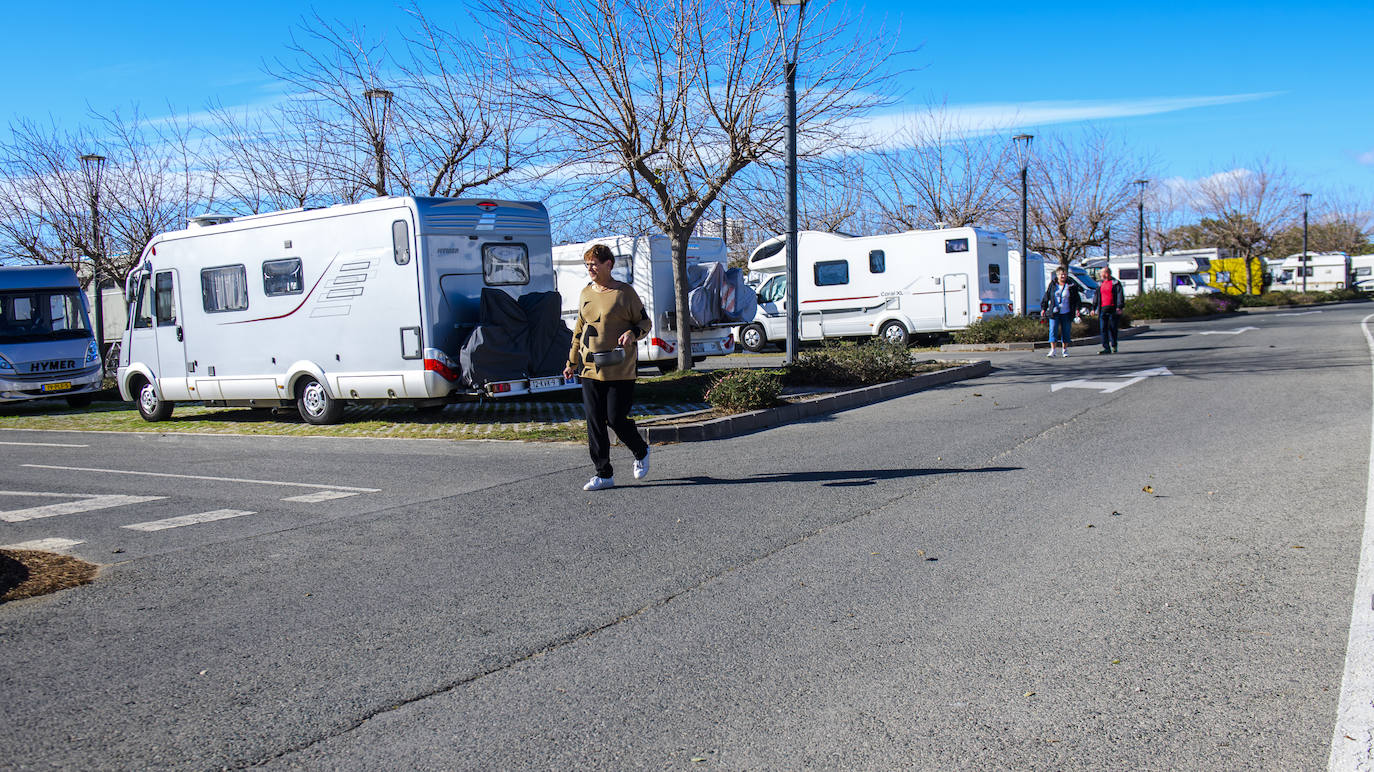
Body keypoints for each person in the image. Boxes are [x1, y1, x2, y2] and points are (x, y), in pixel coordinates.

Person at [563, 244, 652, 491]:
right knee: (594, 420)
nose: (590, 268)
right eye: (588, 264)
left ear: (608, 265)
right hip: (590, 368)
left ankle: (640, 449)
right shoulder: (585, 293)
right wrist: (571, 362)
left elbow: (645, 322)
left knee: (615, 418)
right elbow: (578, 331)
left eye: (595, 264)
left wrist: (632, 333)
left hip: (620, 368)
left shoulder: (625, 293)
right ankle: (603, 474)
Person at [1040, 267, 1081, 358]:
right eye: (1061, 274)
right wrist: (1043, 308)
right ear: (1057, 275)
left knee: (1066, 330)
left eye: (1064, 274)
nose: (1063, 276)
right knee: (1053, 330)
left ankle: (1065, 350)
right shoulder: (1053, 285)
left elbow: (1077, 299)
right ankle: (1053, 350)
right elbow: (1047, 296)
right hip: (1054, 312)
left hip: (1066, 312)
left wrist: (1077, 309)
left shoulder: (1071, 285)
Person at [1094, 266, 1125, 354]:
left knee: (1113, 328)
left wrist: (1119, 306)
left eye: (1102, 273)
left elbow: (1120, 295)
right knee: (1103, 328)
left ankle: (1114, 345)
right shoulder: (1100, 284)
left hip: (1113, 309)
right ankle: (1106, 347)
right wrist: (1094, 307)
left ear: (1107, 273)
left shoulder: (1115, 283)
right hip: (1103, 309)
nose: (1100, 275)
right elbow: (1096, 296)